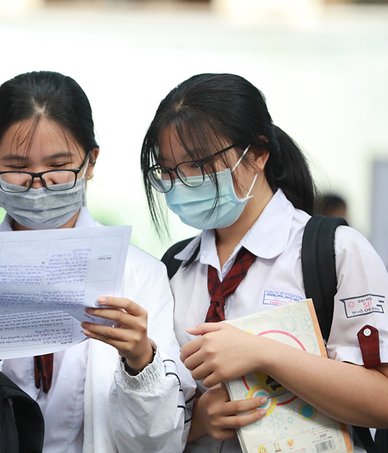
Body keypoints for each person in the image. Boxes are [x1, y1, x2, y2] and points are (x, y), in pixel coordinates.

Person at [140, 73, 388, 452]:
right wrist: (199, 421)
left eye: (198, 164)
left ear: (257, 153)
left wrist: (263, 353)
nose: (182, 183)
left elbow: (382, 401)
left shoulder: (333, 251)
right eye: (169, 171)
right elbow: (149, 418)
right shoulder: (174, 267)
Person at [0, 70, 195, 453]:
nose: (38, 182)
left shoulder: (139, 275)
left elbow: (159, 443)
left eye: (58, 165)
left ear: (90, 162)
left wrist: (139, 361)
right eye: (17, 166)